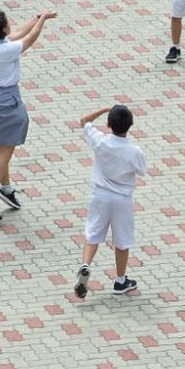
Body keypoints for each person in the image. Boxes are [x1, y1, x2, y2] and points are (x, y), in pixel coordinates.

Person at [0, 9, 57, 221]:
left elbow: (20, 32)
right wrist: (43, 22)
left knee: (2, 145)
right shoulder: (6, 50)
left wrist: (36, 17)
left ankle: (6, 188)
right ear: (2, 29)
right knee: (6, 148)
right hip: (5, 100)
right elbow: (29, 38)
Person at [72, 104, 147, 299]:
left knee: (93, 233)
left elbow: (84, 121)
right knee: (122, 240)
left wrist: (104, 109)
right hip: (122, 200)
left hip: (100, 196)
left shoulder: (101, 142)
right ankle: (121, 280)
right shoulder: (134, 151)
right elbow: (141, 171)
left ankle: (86, 265)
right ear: (130, 125)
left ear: (108, 124)